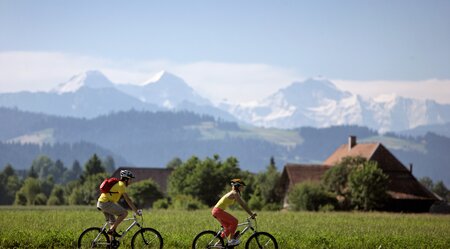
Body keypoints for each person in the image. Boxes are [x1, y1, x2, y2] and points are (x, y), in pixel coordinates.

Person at [212, 178, 257, 246]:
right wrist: (251, 214)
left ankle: (218, 244)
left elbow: (242, 204)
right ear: (237, 186)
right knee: (235, 221)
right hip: (218, 211)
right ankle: (231, 240)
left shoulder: (235, 193)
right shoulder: (234, 193)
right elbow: (242, 204)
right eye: (242, 186)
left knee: (227, 228)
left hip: (217, 211)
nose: (243, 188)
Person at [97, 169, 141, 237]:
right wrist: (136, 211)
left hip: (102, 203)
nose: (131, 181)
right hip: (105, 203)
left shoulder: (119, 184)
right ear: (126, 179)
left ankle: (110, 245)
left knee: (113, 225)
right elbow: (128, 200)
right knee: (124, 213)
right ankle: (111, 230)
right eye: (130, 179)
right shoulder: (121, 185)